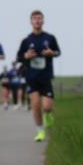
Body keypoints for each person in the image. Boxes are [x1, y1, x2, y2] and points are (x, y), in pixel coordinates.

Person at [17, 10, 61, 142]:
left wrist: (51, 53)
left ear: (43, 21)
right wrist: (26, 56)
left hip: (46, 76)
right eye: (35, 18)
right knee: (35, 105)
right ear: (31, 22)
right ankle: (40, 131)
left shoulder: (50, 38)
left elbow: (58, 52)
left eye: (40, 18)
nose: (37, 20)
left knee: (47, 107)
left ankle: (48, 116)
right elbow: (19, 57)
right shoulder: (26, 40)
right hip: (32, 77)